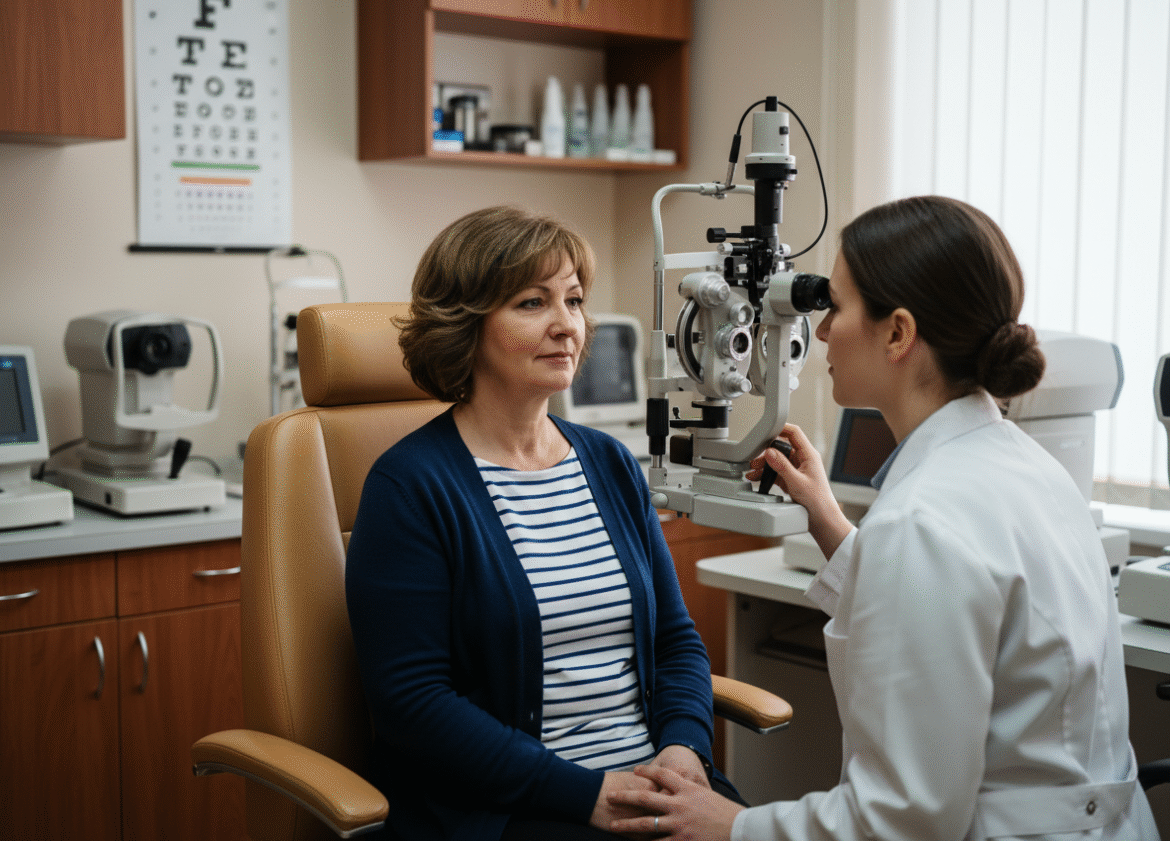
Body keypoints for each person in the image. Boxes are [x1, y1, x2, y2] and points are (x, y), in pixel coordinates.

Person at [606, 195, 1161, 840]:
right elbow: (954, 606)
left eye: (836, 307)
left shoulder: (922, 523)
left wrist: (734, 826)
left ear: (899, 333)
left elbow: (900, 820)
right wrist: (830, 522)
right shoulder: (1024, 469)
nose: (819, 332)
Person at [345, 205, 742, 841]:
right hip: (515, 805)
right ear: (466, 325)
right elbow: (413, 705)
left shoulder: (609, 463)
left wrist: (685, 749)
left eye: (575, 301)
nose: (568, 327)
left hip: (652, 784)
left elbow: (675, 640)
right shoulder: (411, 486)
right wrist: (584, 792)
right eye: (533, 303)